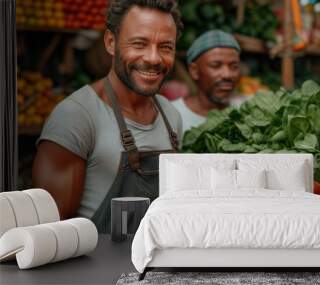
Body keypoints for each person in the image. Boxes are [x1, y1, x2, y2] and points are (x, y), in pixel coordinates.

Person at [32, 0, 183, 232]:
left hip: (156, 265)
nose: (153, 58)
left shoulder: (171, 116)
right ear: (111, 42)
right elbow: (48, 232)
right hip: (95, 267)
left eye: (165, 47)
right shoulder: (76, 116)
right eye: (139, 43)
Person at [172, 30, 241, 133]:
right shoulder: (171, 115)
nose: (227, 75)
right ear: (194, 71)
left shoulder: (244, 111)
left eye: (234, 66)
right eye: (216, 65)